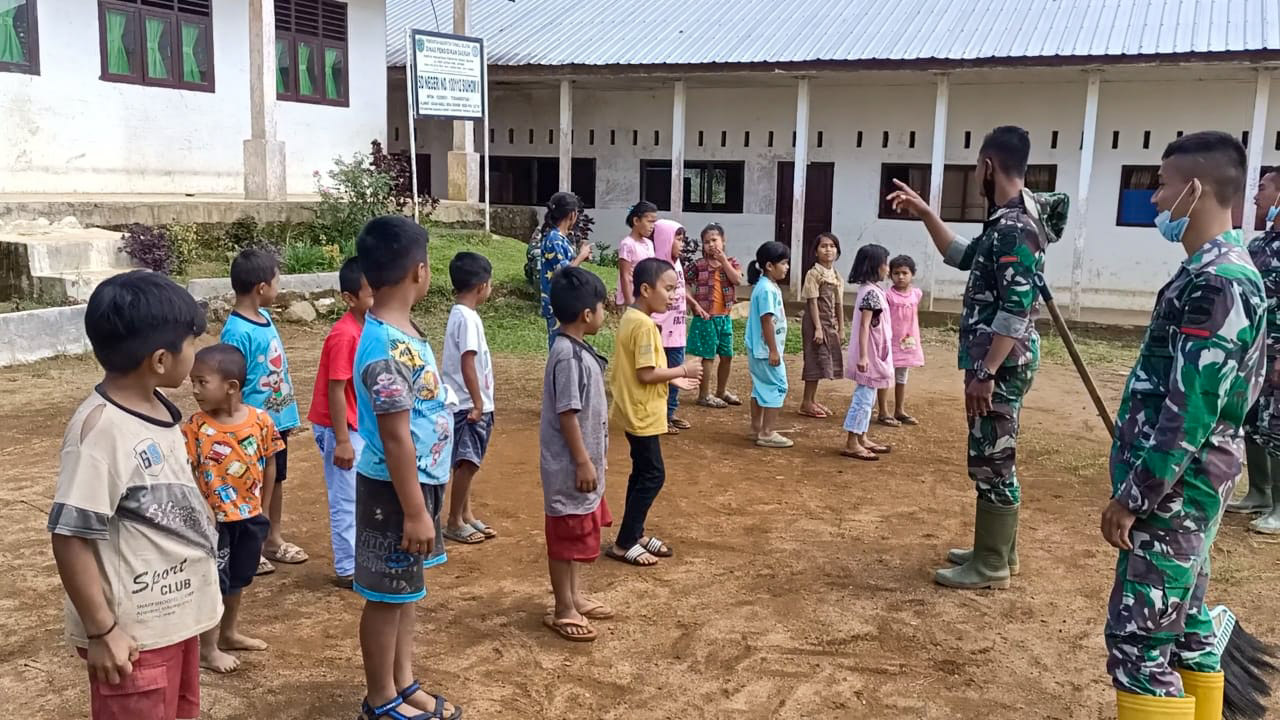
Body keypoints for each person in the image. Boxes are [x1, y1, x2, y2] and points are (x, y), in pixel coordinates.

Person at [1100, 131, 1265, 719]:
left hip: (1175, 492)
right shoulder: (1215, 272)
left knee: (1141, 645)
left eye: (1163, 185)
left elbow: (1189, 410)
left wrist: (1134, 496)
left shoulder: (1218, 281)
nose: (1155, 200)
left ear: (1193, 190)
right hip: (1190, 490)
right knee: (1188, 624)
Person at [885, 125, 1069, 590]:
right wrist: (927, 213)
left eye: (975, 167)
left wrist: (985, 371)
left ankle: (991, 565)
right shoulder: (1009, 222)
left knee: (992, 455)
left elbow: (1015, 307)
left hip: (1000, 363)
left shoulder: (1013, 227)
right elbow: (963, 255)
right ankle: (999, 551)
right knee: (996, 451)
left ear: (988, 166)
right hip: (1003, 360)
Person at [49, 270, 219, 720]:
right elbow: (70, 536)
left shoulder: (160, 410)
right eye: (192, 342)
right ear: (161, 360)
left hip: (172, 621)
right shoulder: (100, 433)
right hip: (132, 640)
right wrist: (103, 631)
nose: (198, 352)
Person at [352, 216, 462, 720]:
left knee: (406, 591)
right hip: (394, 493)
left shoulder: (404, 332)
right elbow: (395, 437)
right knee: (385, 596)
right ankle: (380, 699)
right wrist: (416, 512)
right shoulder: (382, 346)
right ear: (420, 271)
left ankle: (402, 680)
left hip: (417, 485)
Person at [184, 344, 285, 674]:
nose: (195, 390)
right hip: (214, 524)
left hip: (250, 517)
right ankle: (208, 648)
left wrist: (265, 508)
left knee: (239, 579)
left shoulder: (261, 422)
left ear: (231, 387)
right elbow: (185, 472)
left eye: (202, 382)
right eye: (193, 382)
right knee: (214, 581)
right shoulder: (196, 428)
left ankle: (228, 634)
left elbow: (270, 463)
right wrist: (202, 508)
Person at [605, 257, 702, 567]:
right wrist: (681, 368)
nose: (673, 295)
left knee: (642, 471)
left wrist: (674, 377)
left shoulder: (632, 317)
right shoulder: (645, 326)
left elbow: (643, 369)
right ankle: (624, 543)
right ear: (646, 289)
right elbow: (646, 374)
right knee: (653, 474)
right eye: (668, 288)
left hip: (634, 407)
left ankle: (635, 533)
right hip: (642, 411)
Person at [220, 248, 306, 572]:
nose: (278, 287)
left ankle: (273, 538)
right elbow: (230, 380)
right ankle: (249, 546)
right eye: (276, 281)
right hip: (251, 426)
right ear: (261, 287)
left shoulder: (266, 318)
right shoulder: (236, 331)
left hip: (276, 422)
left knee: (276, 478)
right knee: (249, 483)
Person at [541, 267, 614, 642]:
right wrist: (584, 459)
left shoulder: (578, 350)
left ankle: (573, 596)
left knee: (573, 535)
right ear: (588, 315)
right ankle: (562, 608)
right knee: (565, 538)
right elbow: (567, 413)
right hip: (569, 467)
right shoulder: (567, 356)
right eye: (602, 307)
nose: (605, 313)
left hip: (582, 462)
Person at [308, 257, 374, 588]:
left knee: (359, 495)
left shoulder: (369, 329)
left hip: (356, 425)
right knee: (345, 498)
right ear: (349, 298)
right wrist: (343, 440)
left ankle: (358, 558)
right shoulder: (345, 335)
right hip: (341, 428)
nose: (377, 298)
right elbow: (336, 388)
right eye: (370, 293)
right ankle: (347, 567)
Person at [1228, 169, 1280, 535]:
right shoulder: (1260, 245)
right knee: (1252, 422)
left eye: (1263, 189)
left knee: (1277, 428)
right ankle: (1259, 492)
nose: (1256, 196)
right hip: (1256, 351)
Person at [442, 251, 498, 545]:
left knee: (466, 461)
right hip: (468, 404)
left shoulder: (460, 314)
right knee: (468, 462)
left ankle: (466, 514)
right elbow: (468, 361)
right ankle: (454, 520)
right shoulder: (469, 319)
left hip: (462, 402)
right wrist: (478, 402)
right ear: (481, 286)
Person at [841, 244, 894, 461]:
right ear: (876, 266)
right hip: (869, 355)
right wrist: (863, 356)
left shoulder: (872, 290)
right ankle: (852, 441)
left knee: (868, 398)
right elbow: (864, 327)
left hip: (874, 353)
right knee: (863, 399)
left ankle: (862, 437)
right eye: (885, 263)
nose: (888, 268)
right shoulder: (871, 293)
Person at [686, 223, 744, 408]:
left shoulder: (732, 262)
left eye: (714, 240)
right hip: (706, 317)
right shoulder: (698, 265)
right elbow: (684, 282)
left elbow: (737, 279)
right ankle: (704, 395)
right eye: (706, 242)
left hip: (725, 317)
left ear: (723, 241)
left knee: (727, 355)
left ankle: (721, 391)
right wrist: (693, 303)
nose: (711, 245)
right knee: (708, 356)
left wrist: (724, 261)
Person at [745, 241, 793, 449]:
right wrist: (773, 350)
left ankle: (757, 427)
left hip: (760, 347)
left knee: (761, 386)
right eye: (783, 263)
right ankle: (767, 432)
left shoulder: (766, 286)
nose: (787, 267)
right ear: (769, 266)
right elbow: (767, 321)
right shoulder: (766, 290)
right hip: (765, 350)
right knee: (777, 386)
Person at [652, 219, 692, 433]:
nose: (682, 243)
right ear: (665, 239)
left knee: (677, 373)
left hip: (676, 331)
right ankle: (660, 416)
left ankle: (670, 412)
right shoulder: (656, 266)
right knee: (660, 375)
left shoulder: (677, 264)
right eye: (677, 238)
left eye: (683, 239)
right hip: (659, 330)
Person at [799, 232, 845, 419]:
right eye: (824, 246)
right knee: (813, 359)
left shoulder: (836, 275)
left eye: (832, 246)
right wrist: (818, 327)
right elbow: (812, 302)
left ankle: (811, 399)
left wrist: (841, 328)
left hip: (829, 323)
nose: (828, 250)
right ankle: (806, 401)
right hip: (815, 323)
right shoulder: (814, 273)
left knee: (822, 360)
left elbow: (839, 304)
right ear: (816, 251)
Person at [538, 191, 592, 349]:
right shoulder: (554, 238)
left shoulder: (560, 237)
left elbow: (568, 264)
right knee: (558, 344)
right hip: (556, 300)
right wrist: (581, 256)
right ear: (572, 214)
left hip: (565, 298)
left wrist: (581, 257)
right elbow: (564, 272)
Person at [881, 255, 924, 426]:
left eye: (905, 273)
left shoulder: (916, 294)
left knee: (902, 376)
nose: (900, 277)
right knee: (885, 375)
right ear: (890, 275)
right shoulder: (888, 296)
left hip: (907, 342)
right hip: (890, 341)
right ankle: (883, 411)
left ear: (912, 274)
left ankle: (899, 410)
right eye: (896, 273)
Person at [616, 201, 658, 306]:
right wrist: (629, 301)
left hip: (646, 296)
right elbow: (624, 275)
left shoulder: (649, 244)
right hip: (633, 298)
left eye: (654, 222)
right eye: (649, 221)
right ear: (636, 221)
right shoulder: (627, 244)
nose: (652, 226)